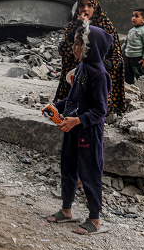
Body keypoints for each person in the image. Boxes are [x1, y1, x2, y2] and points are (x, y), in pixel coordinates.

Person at [45, 22, 112, 235]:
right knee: (68, 166)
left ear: (88, 47)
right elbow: (73, 99)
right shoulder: (82, 67)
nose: (73, 48)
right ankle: (66, 210)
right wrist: (56, 106)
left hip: (88, 132)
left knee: (90, 172)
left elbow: (101, 111)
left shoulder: (99, 74)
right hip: (73, 128)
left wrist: (77, 120)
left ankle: (95, 219)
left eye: (77, 44)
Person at [55, 0, 125, 114]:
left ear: (96, 7)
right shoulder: (73, 25)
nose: (85, 9)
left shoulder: (106, 27)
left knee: (93, 111)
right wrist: (78, 27)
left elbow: (117, 57)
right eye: (82, 5)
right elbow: (63, 50)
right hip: (75, 77)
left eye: (89, 5)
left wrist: (98, 67)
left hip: (95, 80)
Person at [122, 8, 144, 84]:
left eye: (136, 16)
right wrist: (120, 51)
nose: (133, 18)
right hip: (128, 55)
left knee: (138, 72)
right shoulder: (131, 30)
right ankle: (130, 86)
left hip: (137, 57)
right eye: (133, 16)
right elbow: (126, 43)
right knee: (127, 72)